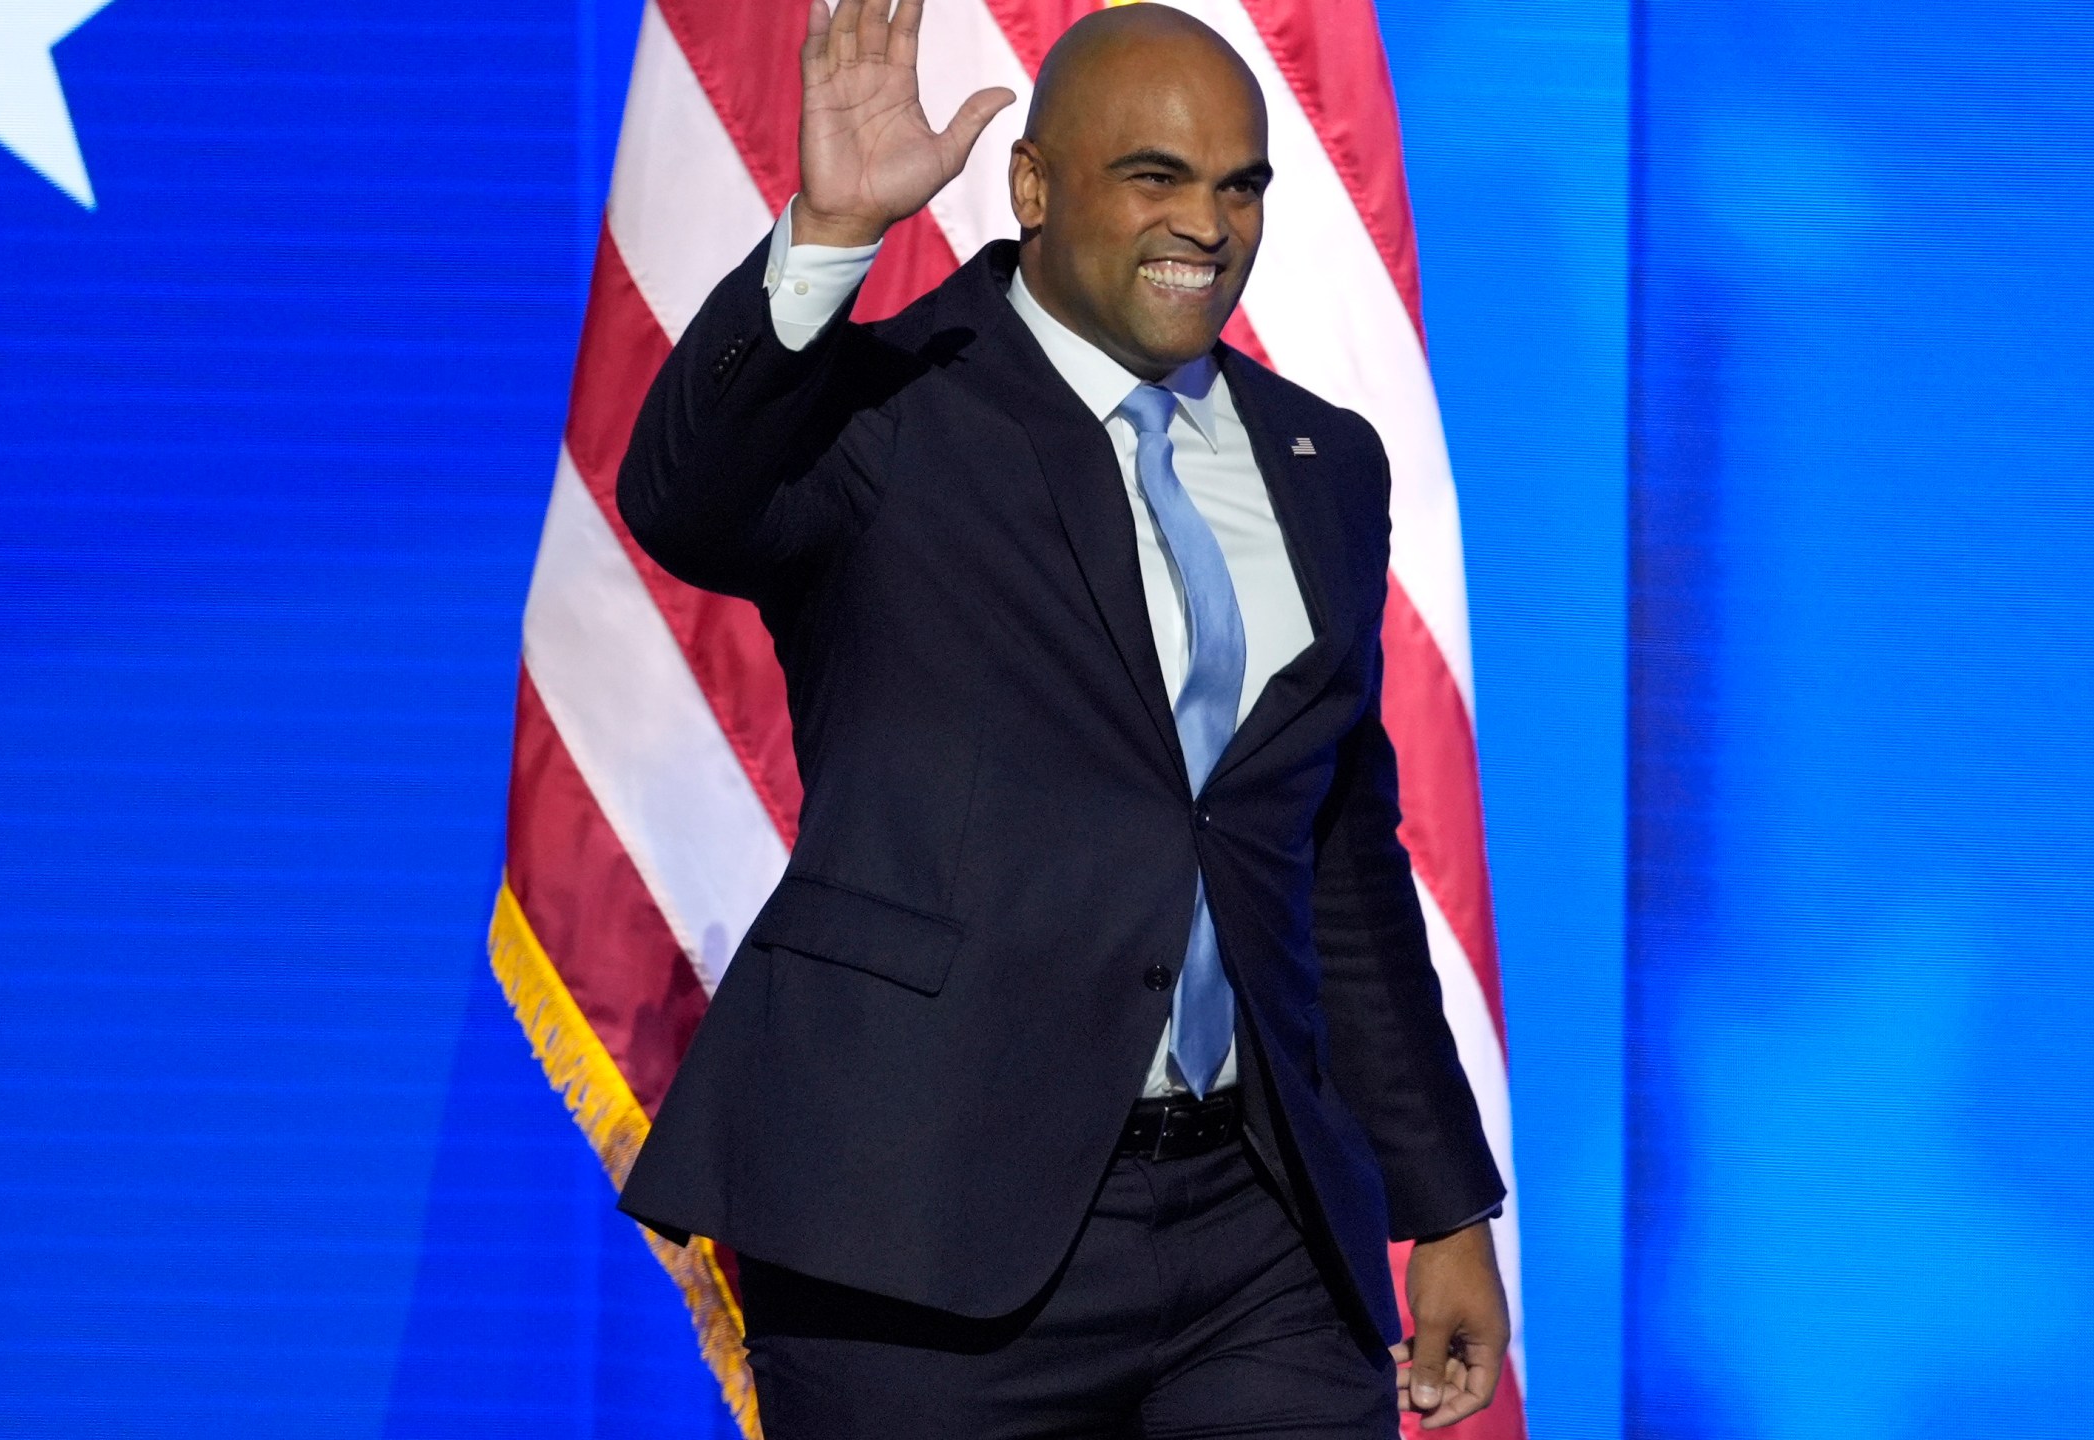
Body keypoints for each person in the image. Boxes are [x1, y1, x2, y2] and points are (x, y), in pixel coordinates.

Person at [614, 1, 1507, 1433]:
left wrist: (1445, 1204)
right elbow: (679, 497)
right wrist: (828, 240)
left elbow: (1333, 855)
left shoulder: (1321, 464)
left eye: (1240, 185)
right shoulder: (891, 408)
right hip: (917, 1222)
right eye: (1154, 176)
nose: (1206, 223)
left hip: (1256, 1235)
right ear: (1034, 188)